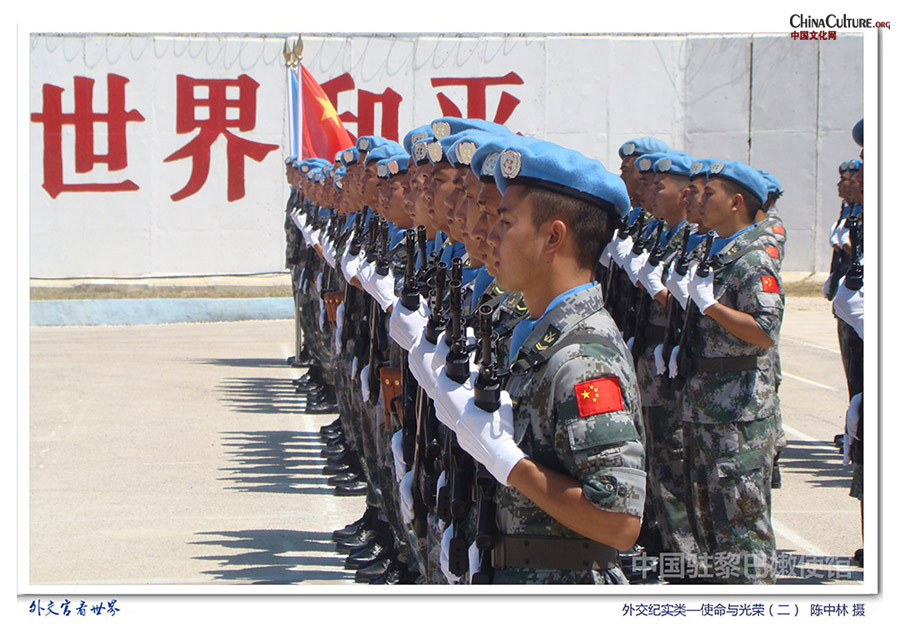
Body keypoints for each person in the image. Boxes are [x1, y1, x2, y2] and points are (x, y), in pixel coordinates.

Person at [449, 139, 646, 584]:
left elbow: (618, 523)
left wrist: (510, 465)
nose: (490, 235)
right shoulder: (542, 335)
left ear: (553, 236)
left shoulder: (582, 360)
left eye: (505, 221)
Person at [677, 159, 783, 584]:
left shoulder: (753, 257)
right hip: (703, 403)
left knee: (743, 528)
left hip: (738, 413)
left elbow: (764, 331)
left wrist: (713, 307)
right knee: (709, 523)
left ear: (736, 201)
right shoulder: (712, 247)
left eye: (709, 193)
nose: (698, 200)